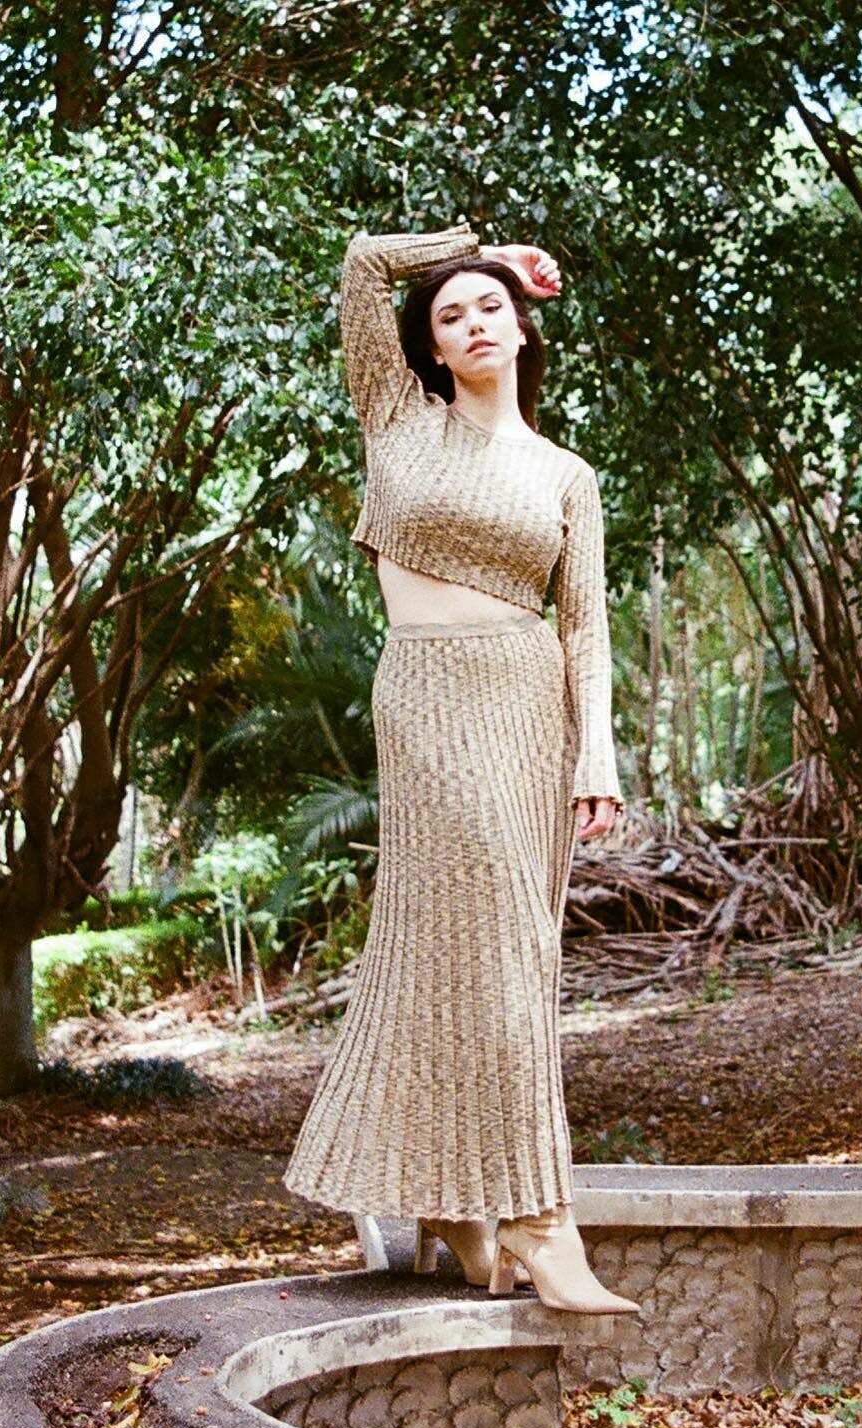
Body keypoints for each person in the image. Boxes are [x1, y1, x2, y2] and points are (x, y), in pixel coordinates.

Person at [282, 220, 639, 1316]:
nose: (475, 322)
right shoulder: (397, 418)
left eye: (492, 308)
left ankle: (455, 1201)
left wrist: (597, 753)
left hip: (530, 706)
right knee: (473, 944)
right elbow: (359, 264)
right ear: (429, 347)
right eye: (451, 314)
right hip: (429, 701)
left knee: (510, 954)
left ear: (523, 331)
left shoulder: (566, 474)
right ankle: (536, 1215)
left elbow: (586, 626)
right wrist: (476, 252)